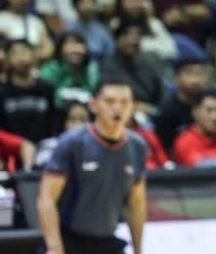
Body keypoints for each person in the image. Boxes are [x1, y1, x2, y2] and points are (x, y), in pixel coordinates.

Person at [37, 79, 147, 254]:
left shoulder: (137, 146)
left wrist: (139, 249)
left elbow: (136, 202)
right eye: (110, 101)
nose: (118, 108)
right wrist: (54, 247)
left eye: (124, 102)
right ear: (94, 105)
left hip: (107, 242)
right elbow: (46, 199)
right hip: (68, 240)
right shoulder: (72, 143)